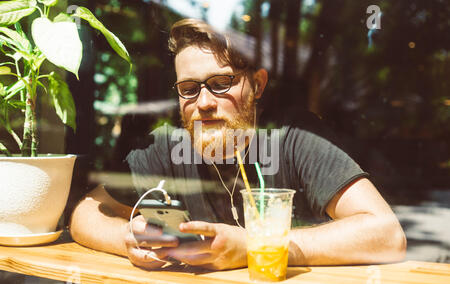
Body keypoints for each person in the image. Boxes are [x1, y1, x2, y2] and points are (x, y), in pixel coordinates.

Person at [69, 18, 406, 271]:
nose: (203, 102)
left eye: (220, 83)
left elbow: (387, 234)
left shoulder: (292, 137)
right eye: (189, 88)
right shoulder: (166, 145)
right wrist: (130, 239)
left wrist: (258, 246)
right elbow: (84, 215)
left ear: (257, 85)